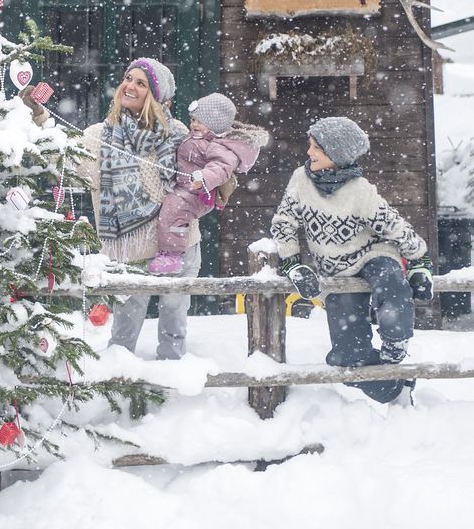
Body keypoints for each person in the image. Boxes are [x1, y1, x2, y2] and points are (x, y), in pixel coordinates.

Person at [270, 116, 434, 403]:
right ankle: (396, 386)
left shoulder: (360, 190)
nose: (309, 153)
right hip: (337, 273)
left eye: (317, 149)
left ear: (337, 155)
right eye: (311, 146)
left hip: (373, 255)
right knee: (346, 357)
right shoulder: (300, 180)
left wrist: (420, 261)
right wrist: (293, 263)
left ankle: (396, 342)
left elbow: (394, 225)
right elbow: (283, 223)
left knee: (390, 279)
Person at [73, 58, 196, 359]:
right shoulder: (98, 137)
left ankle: (174, 388)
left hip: (178, 242)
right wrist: (37, 123)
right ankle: (120, 394)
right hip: (128, 248)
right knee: (123, 335)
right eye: (128, 78)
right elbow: (62, 161)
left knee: (174, 325)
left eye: (141, 83)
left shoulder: (178, 133)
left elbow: (208, 168)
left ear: (157, 96)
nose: (129, 85)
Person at [150, 93, 268, 274]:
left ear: (215, 124)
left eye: (200, 121)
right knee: (173, 208)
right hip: (187, 185)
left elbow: (221, 168)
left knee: (175, 208)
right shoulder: (198, 138)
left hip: (200, 191)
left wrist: (204, 178)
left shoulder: (218, 146)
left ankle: (172, 256)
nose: (194, 125)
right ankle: (169, 251)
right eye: (193, 120)